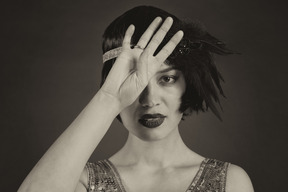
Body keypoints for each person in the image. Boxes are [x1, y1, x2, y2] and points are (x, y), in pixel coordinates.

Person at [18, 5, 254, 192]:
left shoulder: (229, 182)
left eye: (167, 79)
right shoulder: (81, 183)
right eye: (133, 79)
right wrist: (110, 98)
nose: (149, 99)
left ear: (187, 84)